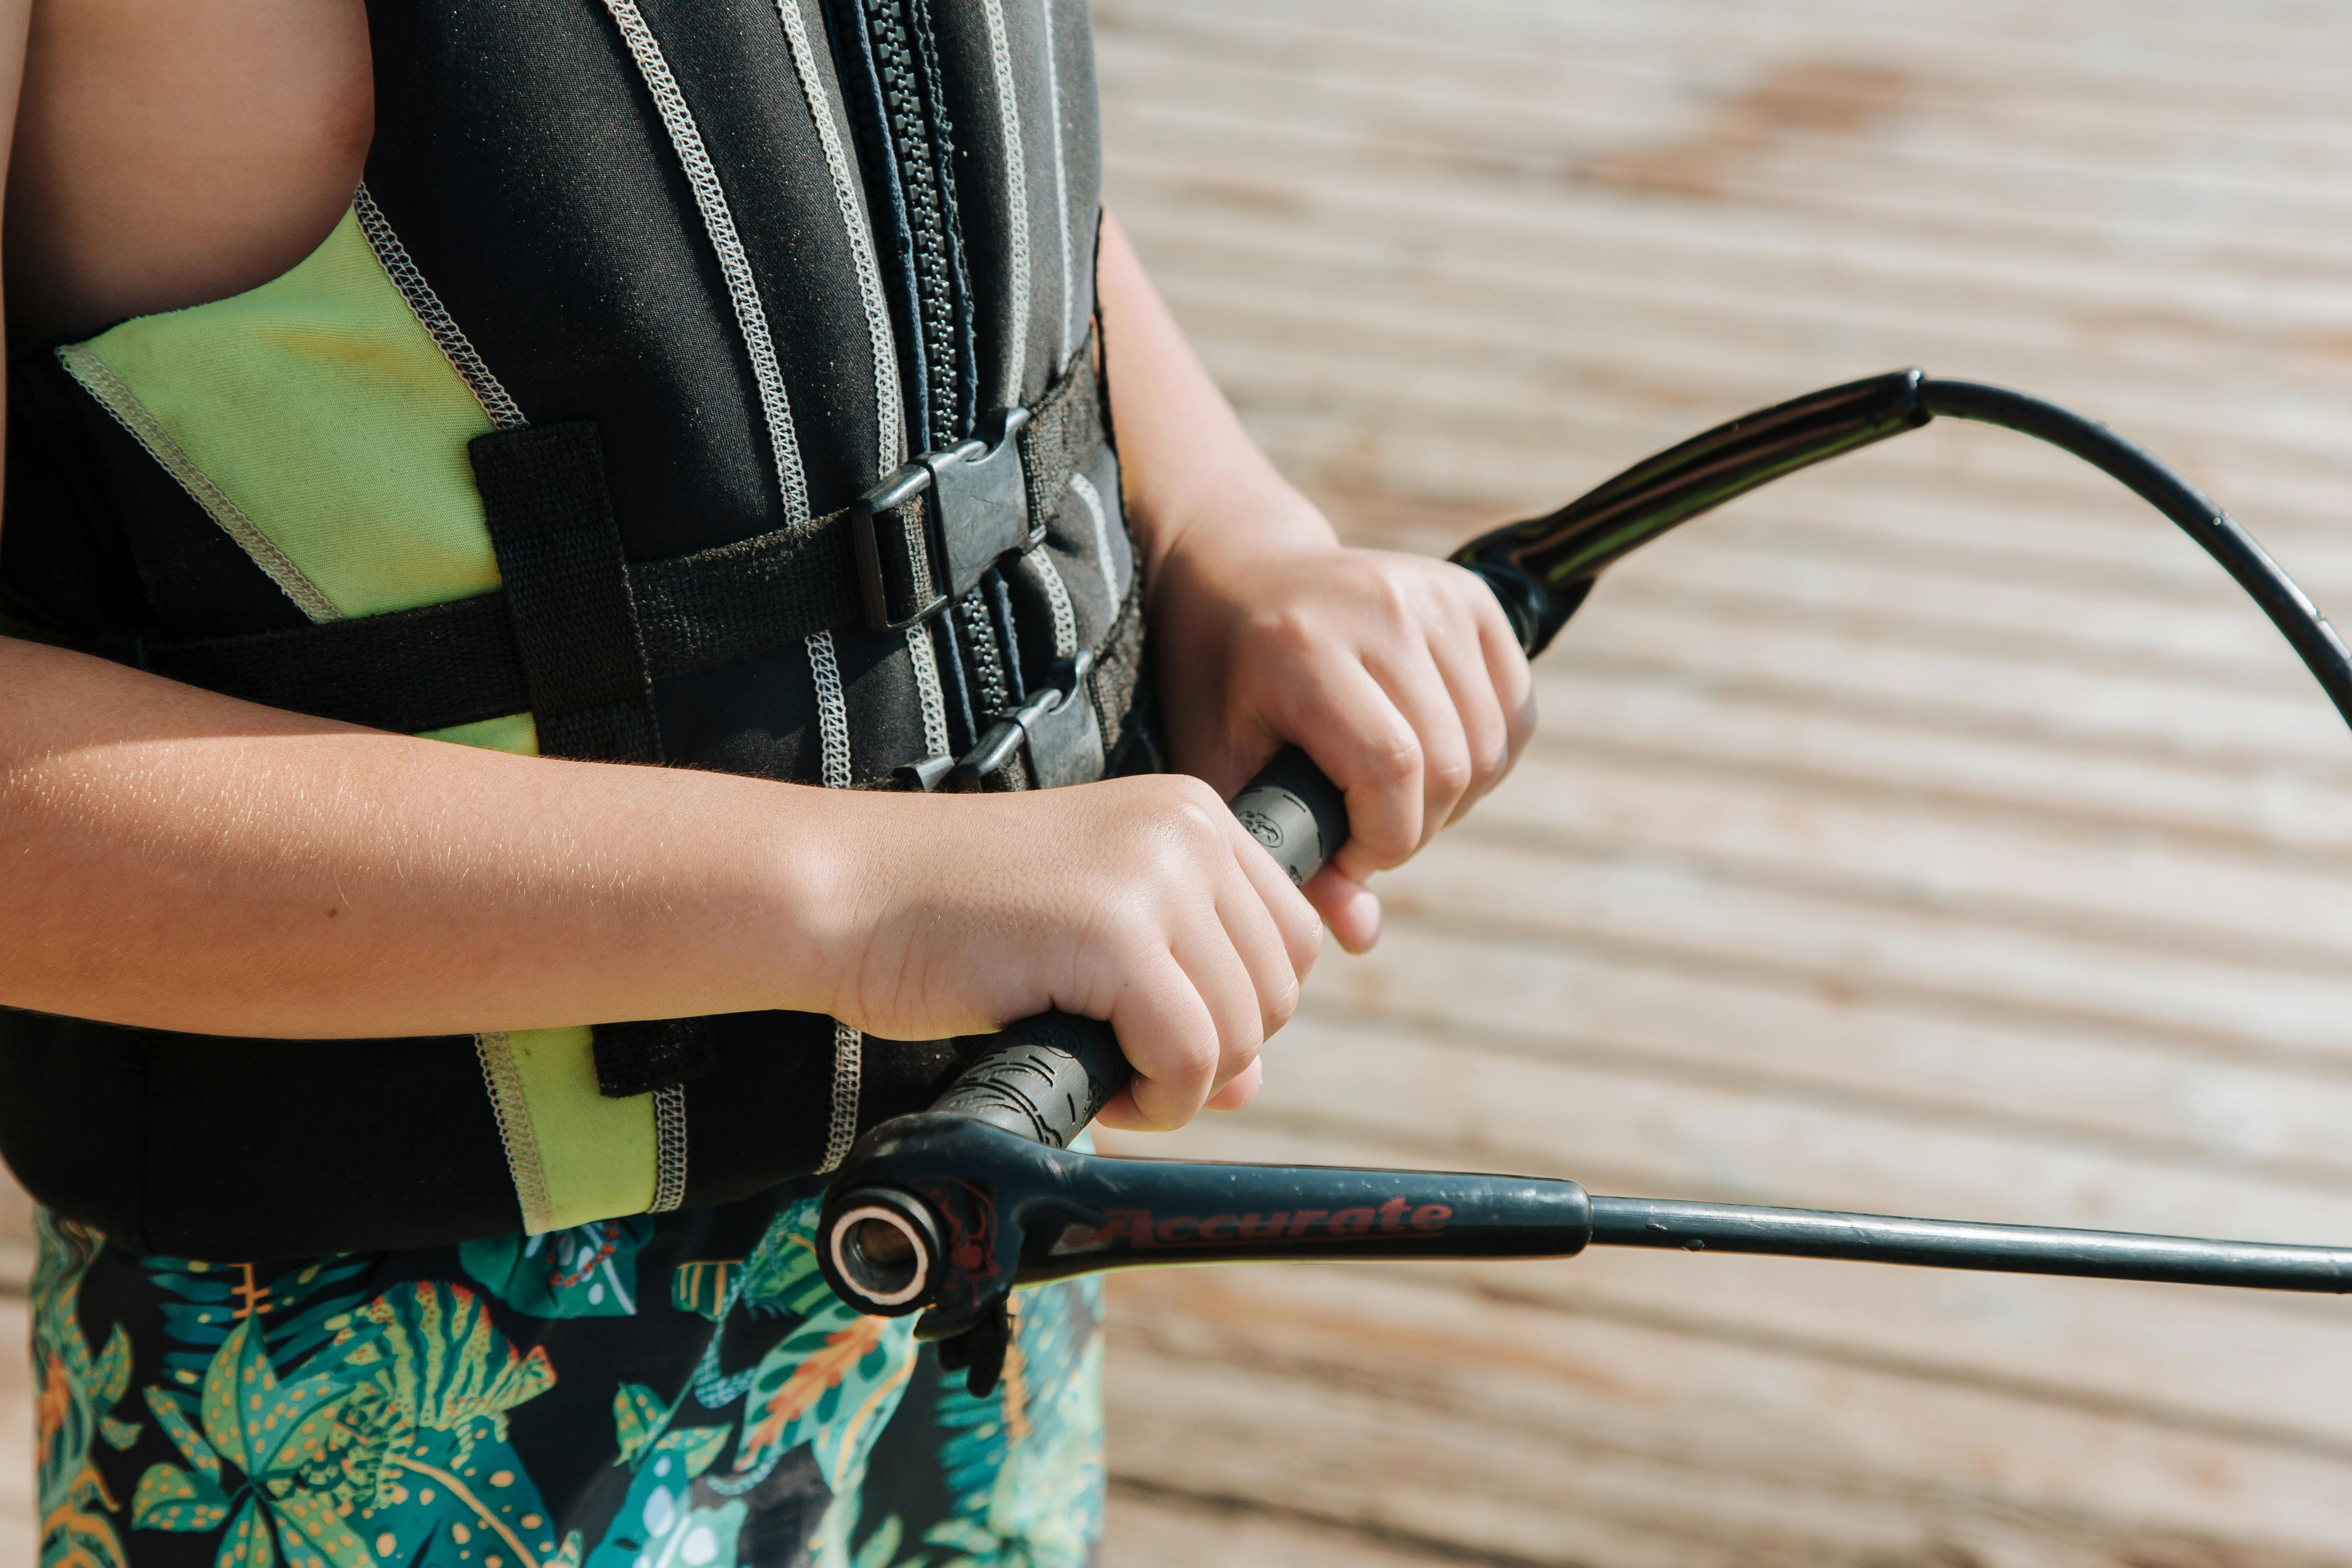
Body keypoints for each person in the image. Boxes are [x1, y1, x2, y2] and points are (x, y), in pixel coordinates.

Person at [0, 0, 1532, 1562]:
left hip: (968, 1247)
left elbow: (905, 132)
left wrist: (1222, 535)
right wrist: (868, 901)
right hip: (382, 1407)